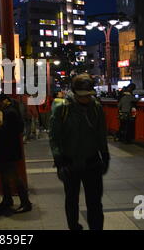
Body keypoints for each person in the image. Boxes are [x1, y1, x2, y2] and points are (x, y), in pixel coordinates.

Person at [49, 74, 110, 230]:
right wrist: (59, 162)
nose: (86, 99)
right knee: (71, 200)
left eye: (89, 95)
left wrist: (105, 157)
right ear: (74, 92)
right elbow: (54, 137)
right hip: (69, 162)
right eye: (82, 96)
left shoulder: (96, 107)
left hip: (92, 161)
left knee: (95, 202)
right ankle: (74, 227)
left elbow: (101, 134)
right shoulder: (62, 107)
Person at [0, 94, 32, 215]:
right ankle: (7, 200)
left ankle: (25, 203)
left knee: (13, 175)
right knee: (4, 175)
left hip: (8, 149)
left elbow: (6, 131)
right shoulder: (9, 110)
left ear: (2, 101)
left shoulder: (9, 112)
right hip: (7, 148)